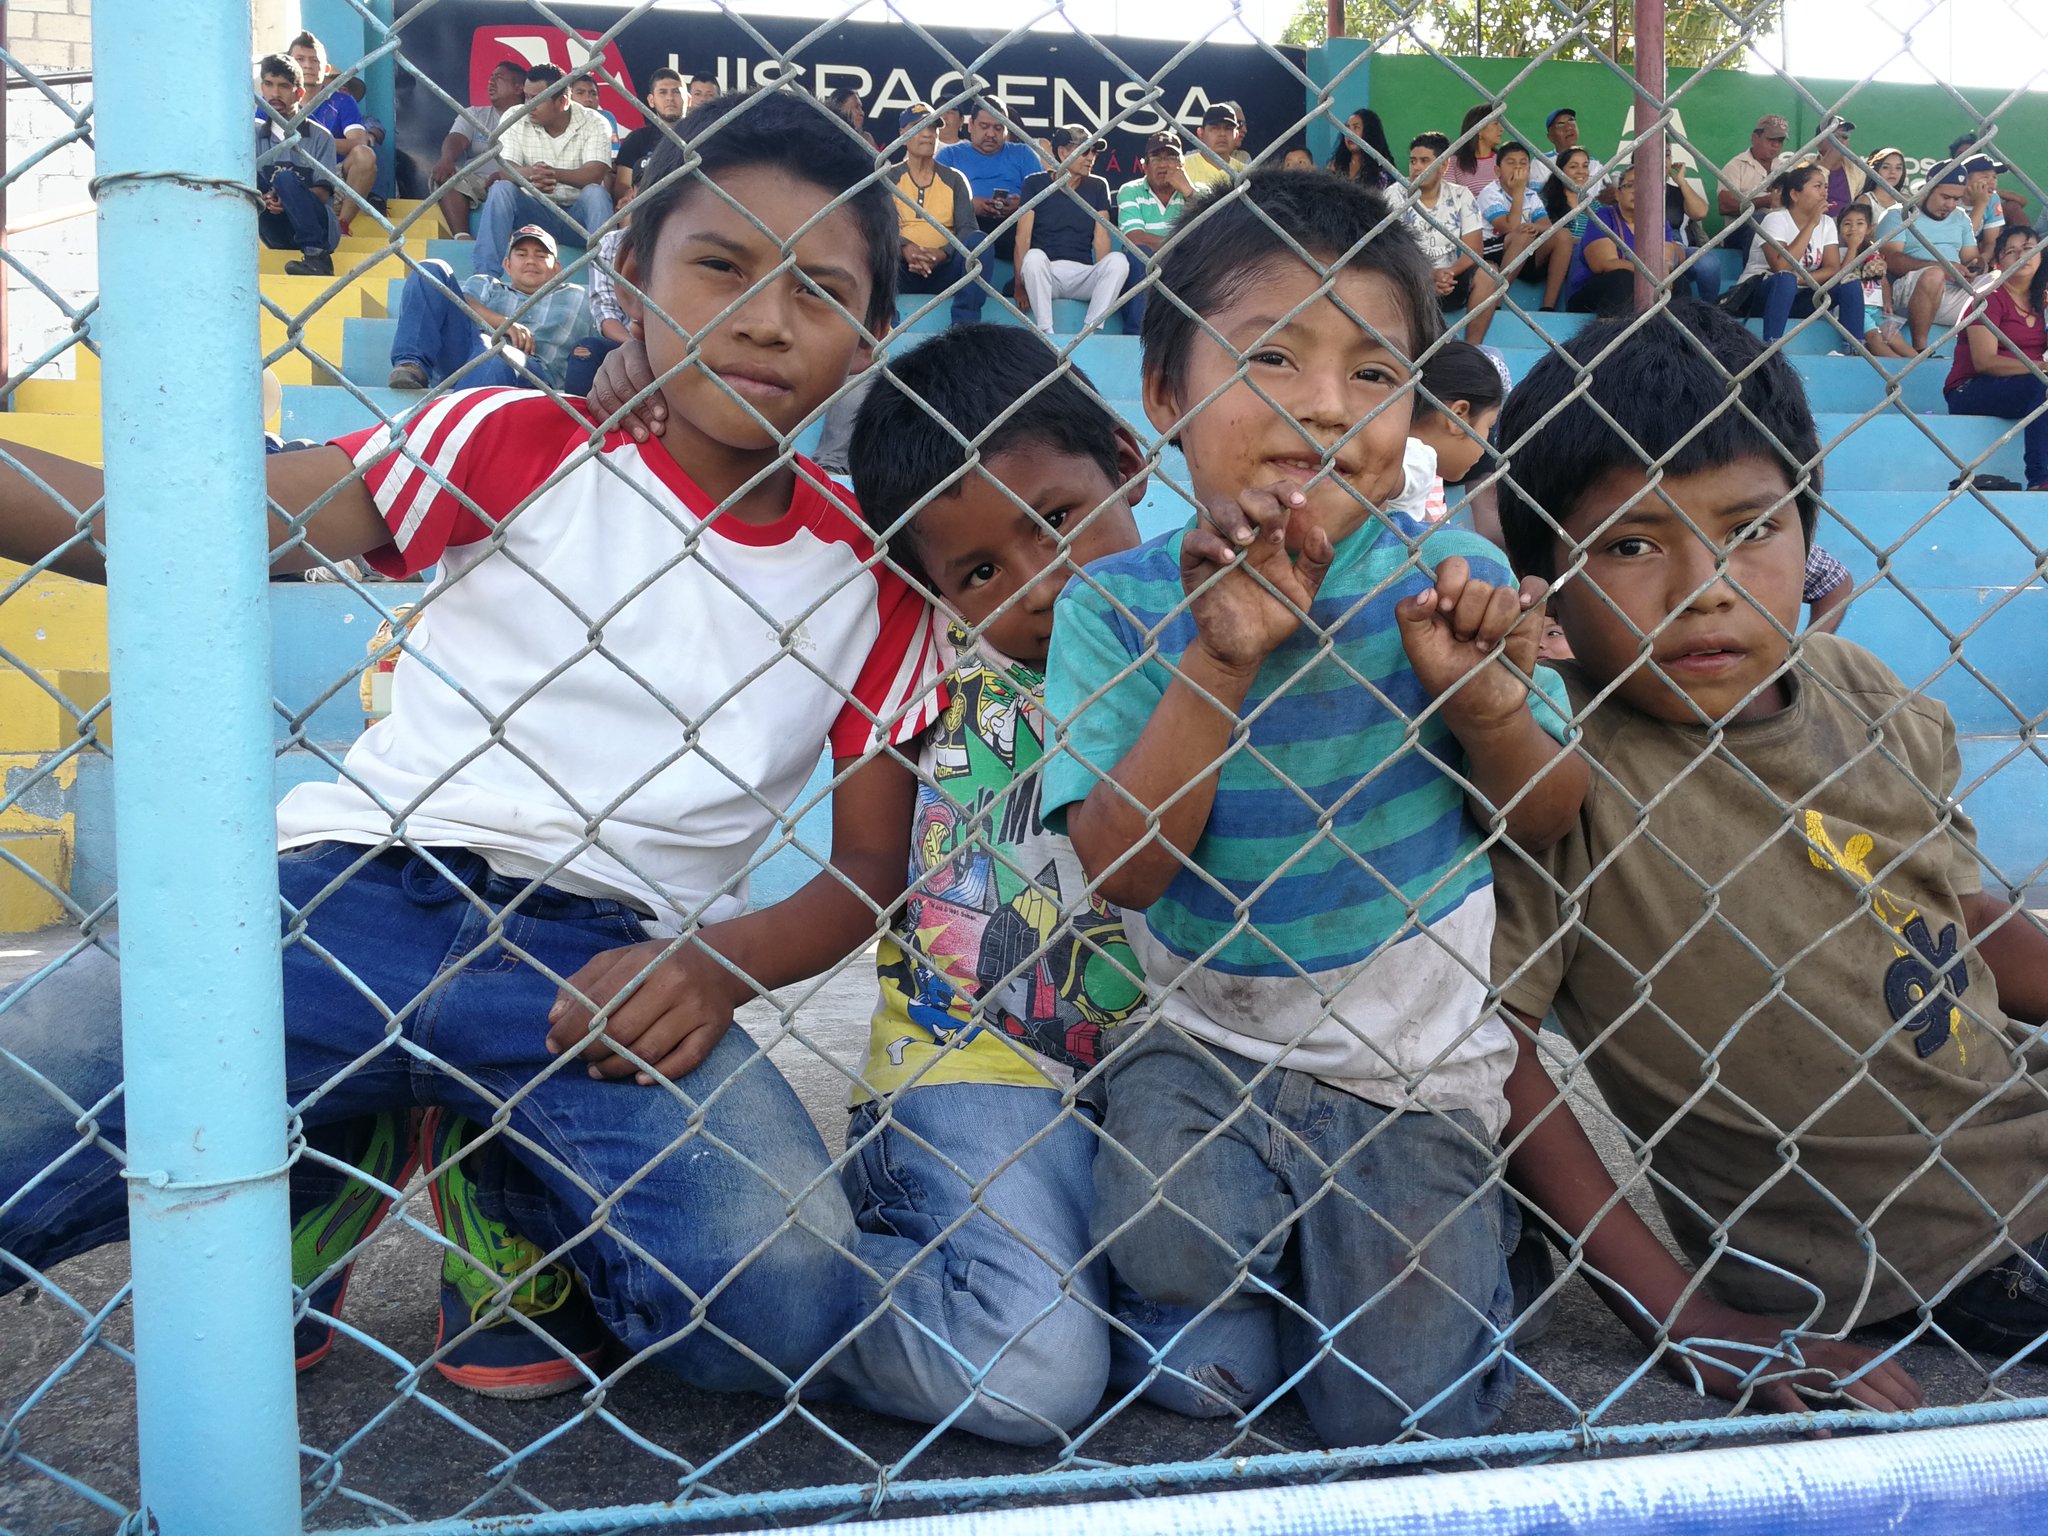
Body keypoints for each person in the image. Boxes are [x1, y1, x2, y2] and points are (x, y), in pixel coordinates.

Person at [0, 89, 946, 1403]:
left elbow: (862, 870)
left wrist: (718, 966)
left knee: (774, 1309)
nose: (768, 318)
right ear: (630, 277)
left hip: (610, 959)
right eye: (719, 266)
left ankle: (506, 1179)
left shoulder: (873, 576)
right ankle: (329, 1153)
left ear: (870, 337)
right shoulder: (514, 436)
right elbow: (211, 523)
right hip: (346, 891)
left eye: (820, 291)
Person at [1040, 168, 1587, 1447]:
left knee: (1389, 1414)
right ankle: (1280, 1265)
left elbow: (1549, 812)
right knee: (1178, 1288)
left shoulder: (1458, 578)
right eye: (1272, 357)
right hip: (1206, 1041)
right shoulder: (1114, 608)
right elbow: (1121, 869)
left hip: (1408, 1062)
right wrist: (1217, 659)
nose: (1325, 407)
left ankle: (1459, 1254)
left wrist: (1487, 708)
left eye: (1371, 371)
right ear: (1165, 392)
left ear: (1412, 407)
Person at [1489, 298, 2047, 1412]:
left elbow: (1941, 911)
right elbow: (1492, 1058)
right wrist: (1682, 1316)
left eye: (1750, 529)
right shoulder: (1549, 774)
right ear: (1541, 577)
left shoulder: (1872, 702)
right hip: (1902, 1243)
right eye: (1632, 544)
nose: (1702, 585)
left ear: (1808, 524)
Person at [819, 324, 1159, 1440]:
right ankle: (787, 1278)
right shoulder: (925, 661)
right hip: (971, 1065)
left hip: (1160, 1079)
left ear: (1126, 456)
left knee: (1204, 1375)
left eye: (1058, 522)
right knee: (1038, 1377)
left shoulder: (1210, 641)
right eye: (978, 571)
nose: (1039, 585)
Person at [385, 224, 587, 392]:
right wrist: (504, 323)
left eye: (542, 255)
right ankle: (411, 365)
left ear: (557, 268)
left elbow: (609, 312)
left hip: (532, 373)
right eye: (521, 254)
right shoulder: (486, 284)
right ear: (507, 265)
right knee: (430, 269)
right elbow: (456, 300)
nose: (531, 261)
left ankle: (457, 421)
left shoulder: (577, 297)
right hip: (465, 355)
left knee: (497, 355)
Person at [474, 63, 616, 279]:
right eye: (527, 97)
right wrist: (531, 176)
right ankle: (484, 279)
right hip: (533, 217)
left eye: (536, 99)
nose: (529, 105)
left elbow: (595, 173)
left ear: (563, 101)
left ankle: (606, 283)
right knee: (501, 188)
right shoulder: (515, 116)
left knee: (596, 194)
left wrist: (553, 174)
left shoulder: (595, 122)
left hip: (578, 221)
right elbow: (505, 170)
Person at [1944, 223, 2046, 492]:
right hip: (1971, 390)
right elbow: (1985, 362)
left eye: (2027, 249)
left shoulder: (2042, 303)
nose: (2020, 256)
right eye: (2011, 251)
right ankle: (2040, 478)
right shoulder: (1989, 300)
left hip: (2026, 386)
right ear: (1999, 262)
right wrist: (2040, 367)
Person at [1723, 164, 1864, 348]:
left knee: (1850, 284)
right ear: (1795, 195)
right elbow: (1781, 267)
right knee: (1785, 279)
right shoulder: (1775, 219)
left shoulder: (1827, 223)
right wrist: (1811, 224)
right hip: (1761, 294)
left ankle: (1855, 349)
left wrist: (1801, 280)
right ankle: (1772, 348)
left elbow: (1833, 269)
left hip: (1802, 295)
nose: (1824, 193)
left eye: (1825, 187)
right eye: (1817, 186)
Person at [1015, 126, 1129, 335]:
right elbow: (1023, 237)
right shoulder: (1035, 183)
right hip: (1046, 272)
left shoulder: (1097, 185)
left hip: (1082, 274)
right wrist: (1018, 285)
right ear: (1062, 152)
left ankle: (1089, 331)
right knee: (1033, 257)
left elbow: (1101, 237)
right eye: (1085, 151)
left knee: (1119, 261)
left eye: (1094, 152)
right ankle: (1046, 332)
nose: (1091, 158)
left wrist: (1104, 275)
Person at [888, 103, 985, 327]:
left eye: (933, 128)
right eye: (918, 127)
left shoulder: (954, 179)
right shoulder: (889, 177)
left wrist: (942, 253)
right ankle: (887, 324)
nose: (927, 134)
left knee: (980, 242)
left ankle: (964, 327)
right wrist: (905, 248)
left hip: (944, 269)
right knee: (873, 244)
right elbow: (879, 227)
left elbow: (968, 229)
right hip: (898, 270)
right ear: (903, 133)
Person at [1402, 132, 1500, 344]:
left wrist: (1447, 273)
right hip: (1409, 281)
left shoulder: (1460, 195)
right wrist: (1428, 275)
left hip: (1449, 280)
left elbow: (1473, 250)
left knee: (1489, 273)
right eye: (1412, 161)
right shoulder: (1394, 196)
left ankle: (1473, 348)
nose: (1416, 167)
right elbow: (1389, 252)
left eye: (1424, 161)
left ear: (1443, 166)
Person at [1877, 164, 1983, 352]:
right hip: (1909, 291)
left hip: (1956, 290)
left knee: (2001, 279)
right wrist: (1942, 268)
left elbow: (1972, 257)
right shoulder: (1899, 214)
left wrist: (1975, 268)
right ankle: (1921, 349)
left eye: (1956, 199)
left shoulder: (1960, 218)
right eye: (1945, 197)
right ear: (1927, 189)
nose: (1950, 205)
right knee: (1934, 275)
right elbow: (1890, 260)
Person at [1560, 162, 1686, 317]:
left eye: (1644, 186)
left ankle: (1674, 333)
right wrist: (1652, 271)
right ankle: (1614, 333)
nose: (1637, 191)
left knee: (1680, 282)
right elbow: (1605, 264)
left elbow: (1665, 261)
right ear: (1618, 194)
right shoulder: (1603, 217)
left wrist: (1664, 268)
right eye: (1630, 185)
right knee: (1622, 278)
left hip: (1645, 286)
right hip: (1593, 295)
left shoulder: (1658, 221)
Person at [255, 53, 341, 278]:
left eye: (284, 86)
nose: (275, 93)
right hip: (274, 226)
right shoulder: (251, 136)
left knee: (285, 179)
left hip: (317, 228)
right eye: (269, 84)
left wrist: (287, 197)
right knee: (249, 181)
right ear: (261, 88)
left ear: (299, 92)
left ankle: (316, 257)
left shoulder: (321, 138)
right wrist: (264, 198)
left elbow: (323, 192)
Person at [288, 31, 378, 237]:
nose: (308, 65)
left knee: (365, 155)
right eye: (300, 59)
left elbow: (358, 141)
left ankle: (341, 224)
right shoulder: (276, 102)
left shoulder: (342, 102)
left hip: (333, 173)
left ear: (326, 69)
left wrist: (313, 142)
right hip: (287, 171)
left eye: (315, 60)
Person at [1407, 339, 1509, 520]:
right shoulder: (1405, 469)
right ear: (1457, 416)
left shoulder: (1425, 470)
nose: (1488, 443)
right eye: (1489, 427)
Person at [938, 99, 1043, 263]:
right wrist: (970, 205)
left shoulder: (1023, 154)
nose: (991, 134)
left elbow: (1043, 198)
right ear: (971, 125)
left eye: (998, 128)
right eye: (984, 126)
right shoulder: (949, 155)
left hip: (1015, 226)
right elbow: (935, 201)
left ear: (1007, 129)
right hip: (967, 225)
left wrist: (1022, 205)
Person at [431, 59, 526, 239]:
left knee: (509, 187)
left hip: (513, 181)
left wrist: (505, 175)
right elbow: (456, 140)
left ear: (518, 88)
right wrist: (447, 159)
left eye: (499, 78)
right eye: (491, 77)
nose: (491, 81)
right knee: (446, 178)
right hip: (476, 180)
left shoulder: (530, 119)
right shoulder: (475, 114)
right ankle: (462, 237)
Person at [1478, 141, 1567, 303]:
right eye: (1511, 163)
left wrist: (1534, 226)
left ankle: (1549, 305)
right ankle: (1496, 299)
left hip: (1525, 252)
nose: (1518, 168)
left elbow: (1547, 226)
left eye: (1523, 163)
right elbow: (1509, 227)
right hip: (1492, 252)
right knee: (1523, 234)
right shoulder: (1489, 193)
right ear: (1497, 170)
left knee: (1563, 235)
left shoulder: (1531, 195)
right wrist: (1518, 190)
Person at [562, 224, 633, 396]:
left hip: (676, 341)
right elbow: (605, 311)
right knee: (584, 352)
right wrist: (632, 344)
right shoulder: (611, 242)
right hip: (625, 339)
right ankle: (578, 419)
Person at [1838, 201, 1913, 359]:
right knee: (1874, 338)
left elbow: (1883, 279)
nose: (1853, 228)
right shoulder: (1840, 252)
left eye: (1860, 223)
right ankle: (1898, 364)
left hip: (1877, 306)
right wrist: (1852, 247)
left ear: (1869, 228)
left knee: (1894, 337)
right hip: (1856, 309)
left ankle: (1919, 363)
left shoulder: (1873, 252)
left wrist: (1887, 301)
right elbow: (1841, 275)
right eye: (1847, 224)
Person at [1770, 114, 1866, 217]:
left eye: (1845, 137)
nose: (1841, 142)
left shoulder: (1857, 170)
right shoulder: (1803, 164)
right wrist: (1826, 164)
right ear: (1819, 142)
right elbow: (1784, 200)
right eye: (1835, 137)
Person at [1715, 114, 1788, 249]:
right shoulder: (1736, 166)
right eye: (1771, 139)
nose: (1776, 145)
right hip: (1739, 231)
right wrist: (1765, 201)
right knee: (1760, 219)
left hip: (1780, 228)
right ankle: (1753, 270)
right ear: (1755, 138)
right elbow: (1724, 206)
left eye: (1780, 140)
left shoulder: (1786, 167)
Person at [613, 67, 685, 203]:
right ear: (651, 100)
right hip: (645, 205)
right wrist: (630, 195)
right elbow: (622, 185)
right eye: (662, 92)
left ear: (689, 99)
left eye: (676, 92)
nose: (670, 98)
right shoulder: (636, 139)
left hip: (690, 204)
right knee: (628, 212)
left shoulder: (704, 137)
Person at [1116, 130, 1188, 263]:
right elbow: (1135, 239)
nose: (1163, 165)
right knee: (1140, 252)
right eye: (1156, 158)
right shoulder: (1130, 191)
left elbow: (1211, 231)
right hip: (1146, 266)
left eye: (1171, 158)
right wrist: (1185, 247)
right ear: (1145, 166)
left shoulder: (1199, 191)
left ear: (1182, 165)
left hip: (1187, 267)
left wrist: (1188, 193)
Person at [1538, 146, 1596, 309]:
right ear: (1560, 171)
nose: (1581, 171)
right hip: (1550, 258)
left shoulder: (1596, 206)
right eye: (1573, 166)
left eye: (1585, 166)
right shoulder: (1543, 201)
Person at [1529, 107, 1601, 193]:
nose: (1569, 127)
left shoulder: (1594, 163)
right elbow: (1539, 197)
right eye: (1560, 124)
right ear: (1550, 137)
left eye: (1571, 120)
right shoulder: (1541, 162)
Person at [1442, 102, 1503, 196]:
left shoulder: (1503, 160)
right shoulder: (1453, 162)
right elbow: (1447, 196)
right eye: (1495, 124)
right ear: (1479, 129)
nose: (1501, 129)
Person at [1324, 108, 1393, 188]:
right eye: (1347, 128)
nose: (1349, 134)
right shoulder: (1334, 167)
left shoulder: (1382, 171)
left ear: (1369, 132)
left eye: (1356, 128)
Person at [1182, 104, 1239, 194]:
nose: (1222, 134)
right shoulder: (1182, 167)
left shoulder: (1245, 172)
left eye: (1228, 129)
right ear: (1200, 133)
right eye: (1215, 128)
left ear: (1236, 135)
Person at [1963, 154, 2009, 249]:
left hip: (1972, 250)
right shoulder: (1953, 196)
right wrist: (1981, 203)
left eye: (1994, 177)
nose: (1992, 182)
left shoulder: (1993, 198)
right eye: (1985, 177)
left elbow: (1990, 243)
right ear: (1966, 179)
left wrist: (1984, 260)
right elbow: (1962, 238)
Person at [569, 73, 621, 153]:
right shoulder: (561, 119)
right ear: (568, 97)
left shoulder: (606, 117)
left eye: (593, 94)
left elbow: (614, 152)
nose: (588, 99)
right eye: (580, 93)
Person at [1865, 146, 1908, 215]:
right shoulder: (1865, 201)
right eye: (1886, 167)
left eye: (1898, 168)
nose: (1893, 172)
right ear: (1875, 170)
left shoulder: (1907, 200)